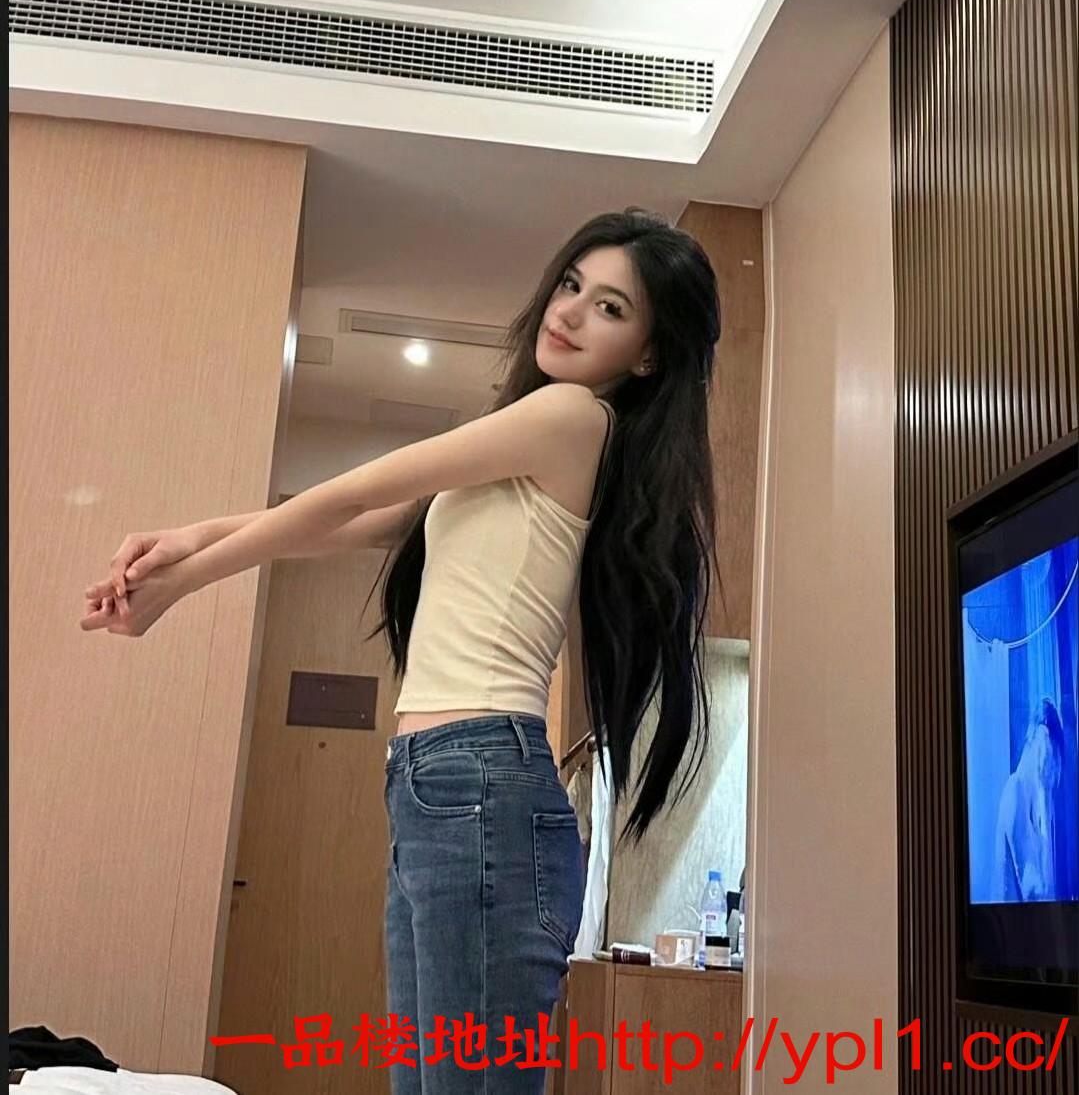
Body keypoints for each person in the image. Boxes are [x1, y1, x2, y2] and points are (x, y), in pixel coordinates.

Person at [81, 207, 723, 1092]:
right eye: (571, 284)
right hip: (443, 782)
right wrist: (187, 538)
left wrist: (183, 584)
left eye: (610, 308)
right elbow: (360, 519)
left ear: (647, 355)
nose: (570, 311)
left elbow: (361, 486)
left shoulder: (571, 416)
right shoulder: (531, 445)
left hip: (478, 778)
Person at [992, 697, 1066, 902]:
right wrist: (1044, 796)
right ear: (1039, 740)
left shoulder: (1029, 805)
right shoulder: (1015, 789)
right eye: (1051, 761)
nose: (1050, 774)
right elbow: (1037, 893)